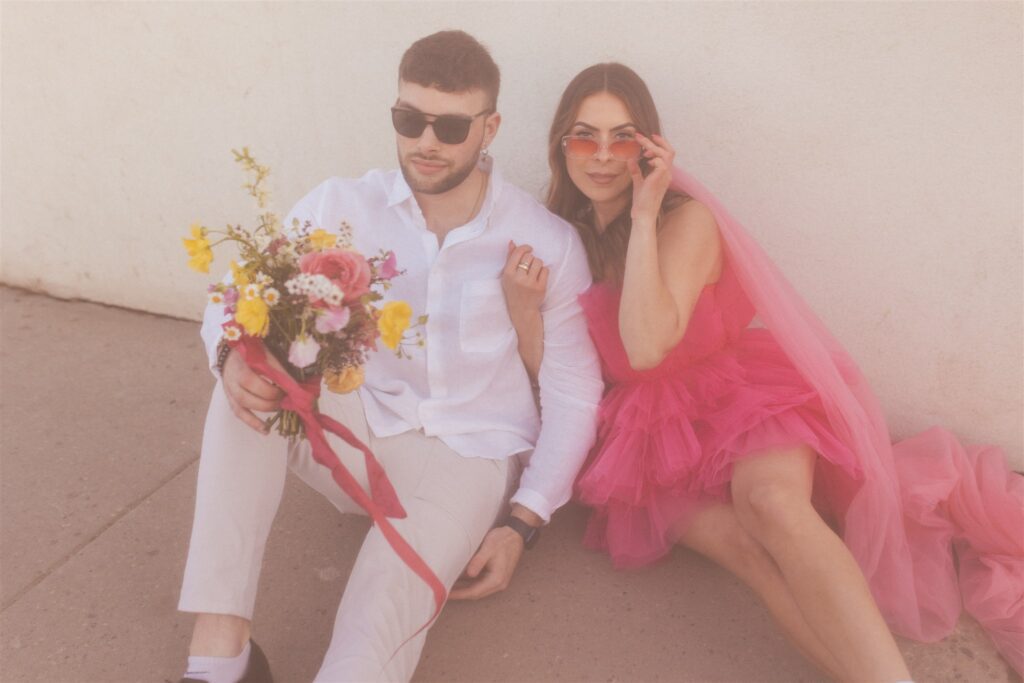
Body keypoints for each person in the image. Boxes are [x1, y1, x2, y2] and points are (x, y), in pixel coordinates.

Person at [502, 62, 1023, 681]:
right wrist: (524, 313)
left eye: (624, 139)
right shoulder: (562, 237)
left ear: (651, 149)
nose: (604, 157)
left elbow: (646, 345)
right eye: (585, 137)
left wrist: (642, 218)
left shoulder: (684, 221)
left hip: (735, 395)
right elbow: (562, 376)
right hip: (645, 436)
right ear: (561, 145)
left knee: (773, 504)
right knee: (749, 553)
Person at [177, 31, 603, 683]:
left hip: (469, 455)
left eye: (451, 125)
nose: (426, 141)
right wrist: (232, 352)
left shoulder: (547, 242)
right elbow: (240, 293)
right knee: (254, 363)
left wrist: (526, 519)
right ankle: (219, 660)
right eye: (410, 120)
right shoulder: (341, 205)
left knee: (371, 635)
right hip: (362, 426)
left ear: (490, 128)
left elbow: (575, 393)